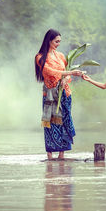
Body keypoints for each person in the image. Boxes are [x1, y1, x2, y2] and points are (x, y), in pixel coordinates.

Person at [35, 29, 83, 160]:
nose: (58, 44)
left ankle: (62, 153)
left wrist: (66, 78)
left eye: (60, 41)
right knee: (50, 122)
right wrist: (70, 74)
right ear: (49, 41)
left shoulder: (61, 56)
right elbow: (49, 71)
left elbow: (66, 73)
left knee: (64, 120)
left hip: (64, 93)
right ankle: (50, 154)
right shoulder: (40, 57)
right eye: (56, 41)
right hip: (50, 95)